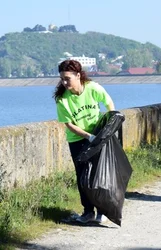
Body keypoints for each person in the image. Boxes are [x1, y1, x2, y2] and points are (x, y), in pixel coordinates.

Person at [54, 59, 115, 223]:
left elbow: (109, 103)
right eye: (62, 79)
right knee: (83, 177)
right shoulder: (62, 100)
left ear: (78, 75)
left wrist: (110, 123)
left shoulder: (92, 88)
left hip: (98, 135)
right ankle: (88, 212)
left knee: (99, 174)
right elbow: (69, 125)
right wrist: (89, 137)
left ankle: (103, 210)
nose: (65, 82)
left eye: (68, 78)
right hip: (77, 140)